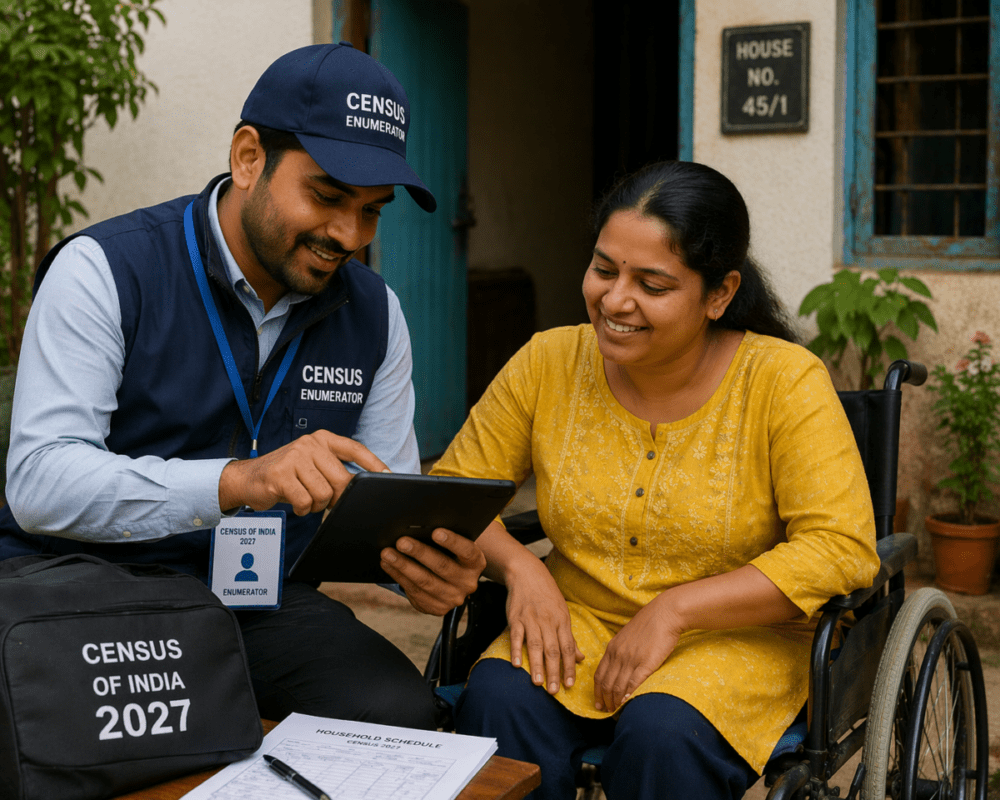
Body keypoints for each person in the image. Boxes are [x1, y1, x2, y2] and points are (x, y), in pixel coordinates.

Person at [0, 42, 485, 730]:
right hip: (85, 590)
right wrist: (238, 481)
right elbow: (40, 483)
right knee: (117, 739)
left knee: (398, 714)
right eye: (327, 196)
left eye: (374, 210)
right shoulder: (104, 269)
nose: (349, 234)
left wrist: (419, 567)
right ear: (249, 157)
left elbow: (383, 500)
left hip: (256, 603)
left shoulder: (376, 313)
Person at [430, 160, 880, 799]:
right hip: (577, 623)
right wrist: (522, 569)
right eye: (604, 269)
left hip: (738, 639)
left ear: (719, 294)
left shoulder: (783, 381)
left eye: (652, 284)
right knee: (498, 698)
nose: (615, 301)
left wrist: (675, 610)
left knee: (663, 731)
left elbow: (839, 549)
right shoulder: (548, 361)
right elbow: (454, 491)